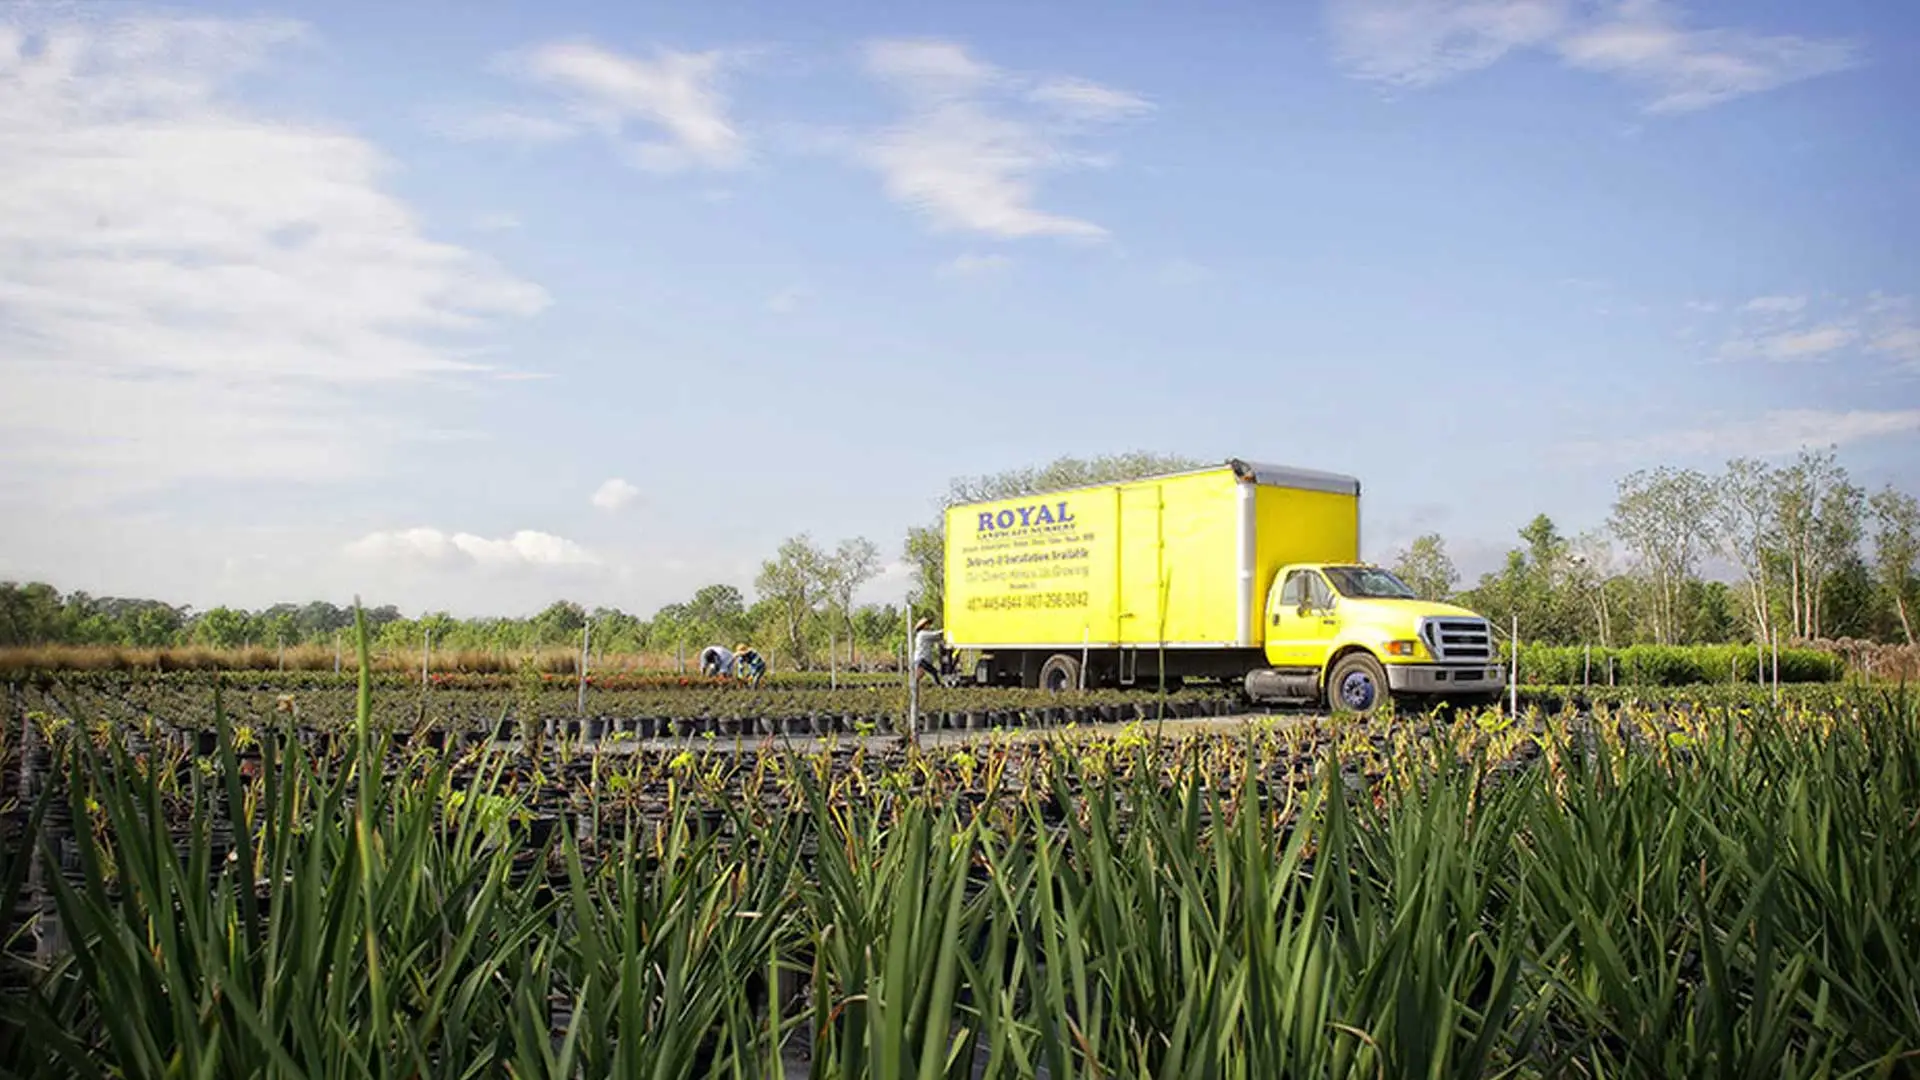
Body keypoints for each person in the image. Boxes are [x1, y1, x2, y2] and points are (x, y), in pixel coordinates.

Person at [912, 618, 944, 685]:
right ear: (924, 625)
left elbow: (937, 638)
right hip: (921, 658)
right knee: (933, 672)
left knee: (920, 674)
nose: (929, 626)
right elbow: (935, 634)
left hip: (921, 659)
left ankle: (913, 686)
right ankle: (939, 686)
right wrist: (947, 629)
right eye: (928, 624)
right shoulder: (922, 634)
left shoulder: (924, 635)